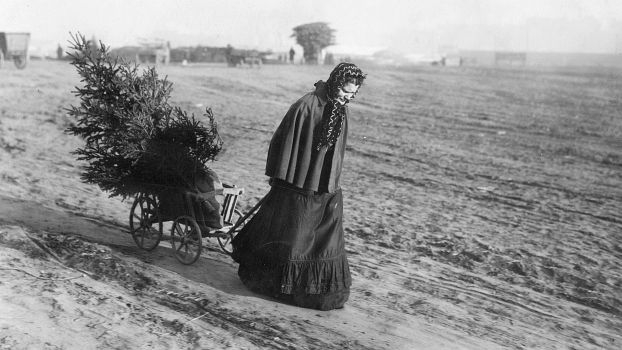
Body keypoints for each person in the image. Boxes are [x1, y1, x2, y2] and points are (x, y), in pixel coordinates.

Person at [232, 62, 366, 310]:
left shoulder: (342, 110)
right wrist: (280, 176)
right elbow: (284, 141)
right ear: (335, 83)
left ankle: (316, 290)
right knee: (295, 235)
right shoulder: (306, 105)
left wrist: (332, 182)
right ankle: (280, 287)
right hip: (298, 185)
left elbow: (336, 152)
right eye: (345, 92)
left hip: (325, 188)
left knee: (326, 236)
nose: (348, 98)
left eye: (352, 94)